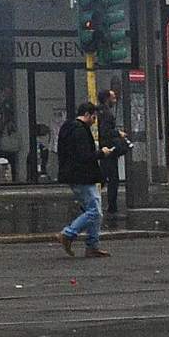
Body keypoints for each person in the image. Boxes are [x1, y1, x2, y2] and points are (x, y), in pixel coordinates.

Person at [54, 100, 108, 258]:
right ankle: (68, 234)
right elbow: (85, 156)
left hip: (73, 175)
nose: (94, 121)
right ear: (86, 115)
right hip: (82, 176)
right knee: (94, 211)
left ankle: (93, 245)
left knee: (94, 211)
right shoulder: (80, 131)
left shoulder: (67, 128)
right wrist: (101, 153)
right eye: (93, 117)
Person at [98, 105, 134, 228]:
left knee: (103, 178)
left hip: (105, 150)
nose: (115, 100)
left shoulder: (100, 112)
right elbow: (106, 132)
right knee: (112, 179)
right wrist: (118, 133)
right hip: (109, 151)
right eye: (112, 97)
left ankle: (95, 204)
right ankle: (111, 208)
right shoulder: (107, 114)